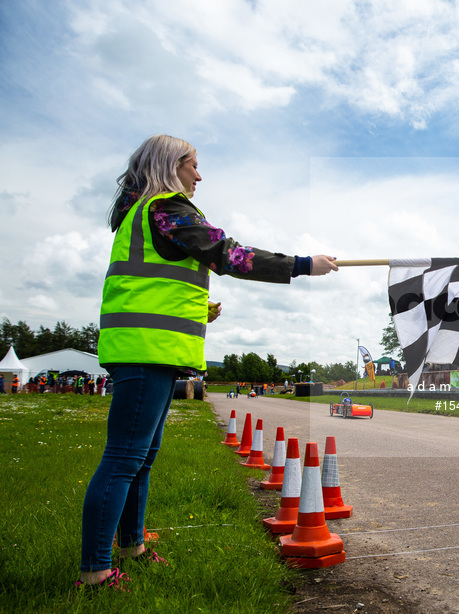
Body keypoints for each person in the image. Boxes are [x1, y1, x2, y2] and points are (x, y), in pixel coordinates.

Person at [77, 135, 338, 590]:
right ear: (169, 166)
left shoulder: (147, 213)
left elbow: (154, 284)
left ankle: (132, 546)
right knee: (123, 459)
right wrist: (301, 264)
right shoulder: (167, 209)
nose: (200, 175)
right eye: (193, 165)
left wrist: (199, 310)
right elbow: (229, 254)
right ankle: (96, 571)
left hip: (151, 350)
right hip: (145, 351)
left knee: (141, 459)